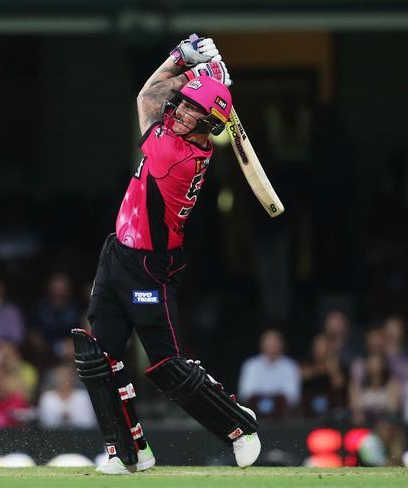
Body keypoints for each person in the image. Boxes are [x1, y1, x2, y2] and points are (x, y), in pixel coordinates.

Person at [71, 36, 260, 475]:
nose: (180, 112)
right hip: (116, 254)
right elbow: (161, 100)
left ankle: (239, 426)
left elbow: (149, 96)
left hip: (149, 270)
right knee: (101, 356)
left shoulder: (176, 156)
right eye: (184, 105)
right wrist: (197, 72)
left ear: (209, 125)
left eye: (192, 110)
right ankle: (130, 452)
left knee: (165, 366)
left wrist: (188, 61)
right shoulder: (177, 132)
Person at [238, 329, 301, 415]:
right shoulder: (251, 365)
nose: (272, 346)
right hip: (255, 416)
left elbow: (293, 397)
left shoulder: (290, 366)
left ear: (282, 345)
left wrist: (273, 401)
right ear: (261, 345)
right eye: (268, 343)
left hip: (283, 417)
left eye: (275, 343)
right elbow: (245, 393)